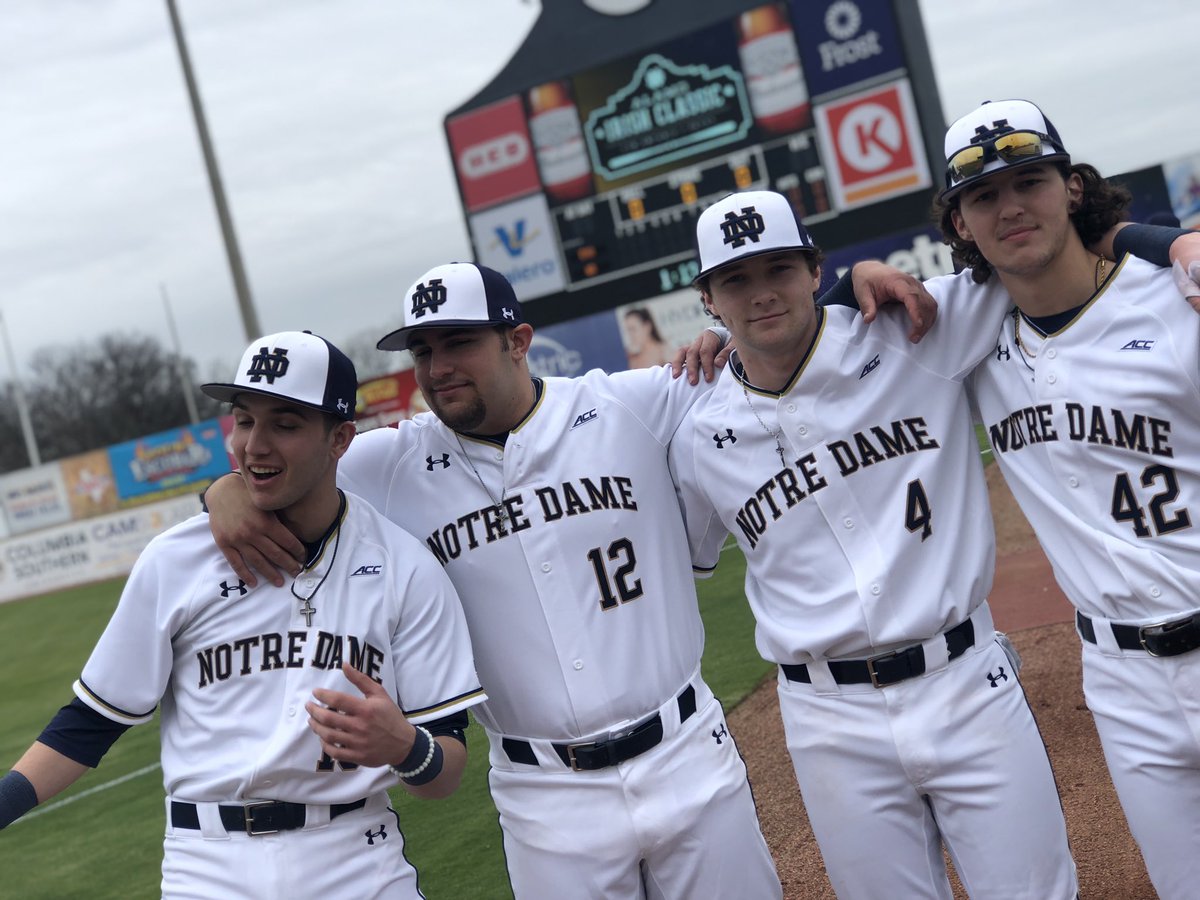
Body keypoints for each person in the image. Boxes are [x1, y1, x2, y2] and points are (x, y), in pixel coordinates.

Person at [203, 265, 788, 899]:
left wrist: (843, 285)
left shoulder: (629, 405)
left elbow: (786, 353)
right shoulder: (389, 466)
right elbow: (284, 469)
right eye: (423, 351)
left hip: (687, 753)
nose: (438, 366)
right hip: (543, 795)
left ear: (518, 340)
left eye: (459, 342)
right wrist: (223, 491)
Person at [669, 188, 1078, 898]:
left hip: (965, 681)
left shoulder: (914, 329)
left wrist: (1167, 242)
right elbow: (687, 552)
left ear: (815, 268)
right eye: (736, 279)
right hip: (828, 719)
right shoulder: (696, 431)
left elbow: (1042, 254)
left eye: (779, 269)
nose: (762, 293)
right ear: (708, 299)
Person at [0, 331, 485, 899]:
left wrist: (405, 746)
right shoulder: (176, 560)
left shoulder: (405, 567)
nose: (254, 445)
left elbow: (445, 770)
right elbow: (91, 723)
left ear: (341, 438)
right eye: (244, 419)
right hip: (207, 865)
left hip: (355, 858)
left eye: (285, 423)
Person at [926, 98, 1200, 900]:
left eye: (1031, 180)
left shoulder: (1176, 302)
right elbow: (814, 324)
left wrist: (1167, 239)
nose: (1012, 207)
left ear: (1073, 188)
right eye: (984, 196)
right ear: (960, 225)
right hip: (1120, 678)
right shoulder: (968, 337)